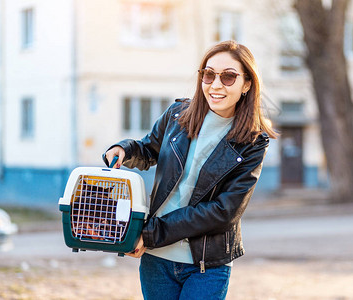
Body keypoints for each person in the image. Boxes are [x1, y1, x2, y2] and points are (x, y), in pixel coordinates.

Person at [103, 40, 277, 299]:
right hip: (156, 260)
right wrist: (126, 149)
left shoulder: (253, 142)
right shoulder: (177, 113)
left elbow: (223, 211)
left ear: (247, 84)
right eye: (209, 74)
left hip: (207, 265)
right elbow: (149, 148)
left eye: (229, 77)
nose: (216, 85)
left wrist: (150, 234)